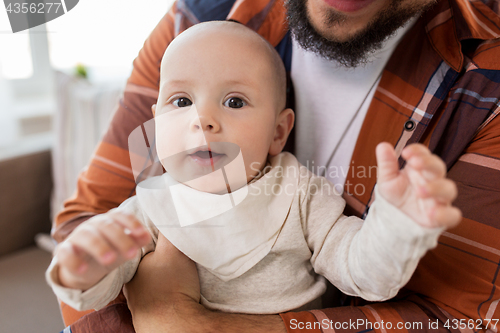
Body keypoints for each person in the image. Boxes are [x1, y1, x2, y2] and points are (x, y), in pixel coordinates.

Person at [51, 0, 500, 332]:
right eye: (181, 101)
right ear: (154, 124)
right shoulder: (147, 208)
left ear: (279, 133)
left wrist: (397, 224)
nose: (201, 119)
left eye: (234, 101)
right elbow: (92, 284)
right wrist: (83, 266)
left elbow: (365, 274)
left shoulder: (299, 194)